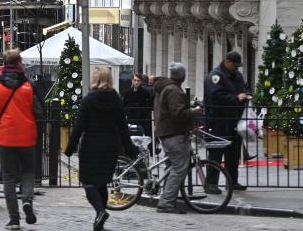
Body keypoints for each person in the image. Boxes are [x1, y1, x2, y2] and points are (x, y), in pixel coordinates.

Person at [64, 66, 136, 231]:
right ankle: (100, 222)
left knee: (89, 182)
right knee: (102, 183)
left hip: (91, 147)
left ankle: (100, 212)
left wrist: (70, 148)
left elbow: (79, 127)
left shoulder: (88, 100)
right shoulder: (116, 99)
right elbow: (123, 127)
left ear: (96, 79)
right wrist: (130, 150)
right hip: (110, 147)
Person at [0, 48, 43, 230]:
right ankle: (27, 200)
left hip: (6, 136)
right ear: (19, 63)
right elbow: (39, 112)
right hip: (27, 136)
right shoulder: (28, 86)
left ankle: (14, 219)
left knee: (8, 178)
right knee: (28, 173)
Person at [153, 62, 201, 214]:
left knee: (171, 166)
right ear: (182, 76)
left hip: (167, 132)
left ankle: (167, 197)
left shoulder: (168, 88)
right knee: (179, 168)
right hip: (174, 133)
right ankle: (166, 202)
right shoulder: (174, 91)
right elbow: (178, 114)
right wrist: (194, 112)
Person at [203, 51, 251, 192]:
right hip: (217, 120)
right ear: (227, 62)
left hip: (233, 120)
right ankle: (211, 184)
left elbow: (245, 88)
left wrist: (247, 94)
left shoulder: (237, 75)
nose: (237, 69)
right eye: (235, 66)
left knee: (233, 152)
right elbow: (216, 95)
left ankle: (232, 181)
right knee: (216, 151)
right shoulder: (215, 76)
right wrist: (236, 98)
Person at [122, 72, 155, 138]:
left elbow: (148, 107)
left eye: (138, 81)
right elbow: (124, 105)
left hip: (142, 121)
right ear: (132, 80)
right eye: (135, 80)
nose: (136, 82)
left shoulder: (145, 93)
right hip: (131, 120)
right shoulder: (127, 93)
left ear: (141, 81)